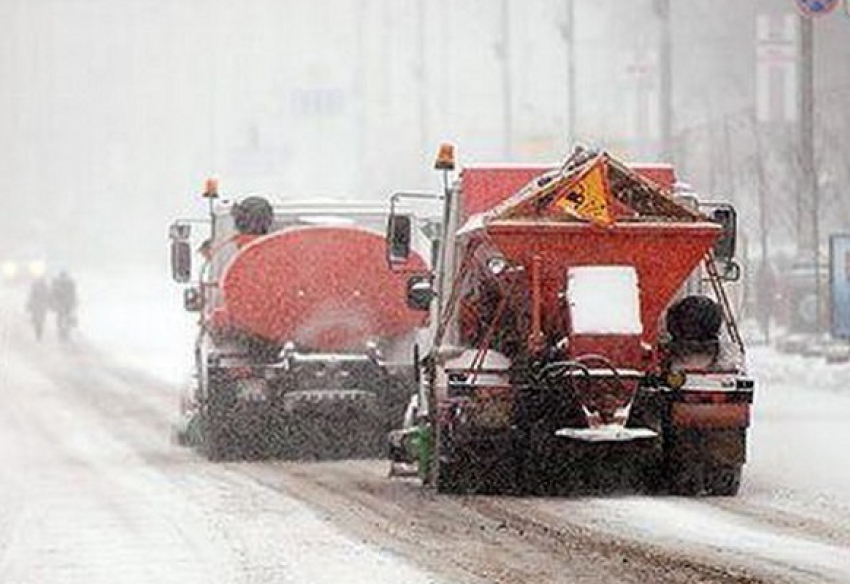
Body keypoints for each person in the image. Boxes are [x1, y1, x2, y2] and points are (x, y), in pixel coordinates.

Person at [51, 270, 78, 341]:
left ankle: (64, 332)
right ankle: (64, 332)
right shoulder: (69, 283)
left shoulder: (58, 283)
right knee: (64, 317)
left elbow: (73, 294)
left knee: (63, 317)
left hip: (65, 304)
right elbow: (73, 294)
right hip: (65, 304)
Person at [26, 276, 50, 341]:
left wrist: (29, 305)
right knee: (40, 320)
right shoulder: (45, 287)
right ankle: (39, 332)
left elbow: (31, 296)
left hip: (37, 306)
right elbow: (48, 296)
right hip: (41, 306)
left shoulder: (36, 286)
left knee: (38, 319)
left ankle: (38, 332)